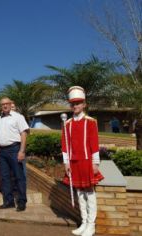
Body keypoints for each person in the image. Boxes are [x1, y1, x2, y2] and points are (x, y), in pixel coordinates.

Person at [61, 86, 104, 236]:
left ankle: (91, 225)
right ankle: (84, 222)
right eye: (73, 104)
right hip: (73, 162)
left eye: (78, 103)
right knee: (79, 192)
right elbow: (65, 144)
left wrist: (95, 163)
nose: (75, 106)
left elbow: (94, 143)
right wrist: (66, 162)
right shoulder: (67, 124)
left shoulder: (91, 122)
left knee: (89, 192)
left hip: (87, 162)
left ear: (84, 104)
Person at [0, 97, 29, 212]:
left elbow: (23, 134)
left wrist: (22, 151)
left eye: (7, 103)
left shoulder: (18, 117)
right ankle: (8, 201)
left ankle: (22, 201)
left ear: (10, 104)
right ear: (1, 106)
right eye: (2, 104)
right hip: (2, 151)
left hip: (14, 149)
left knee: (19, 176)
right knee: (5, 177)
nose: (5, 106)